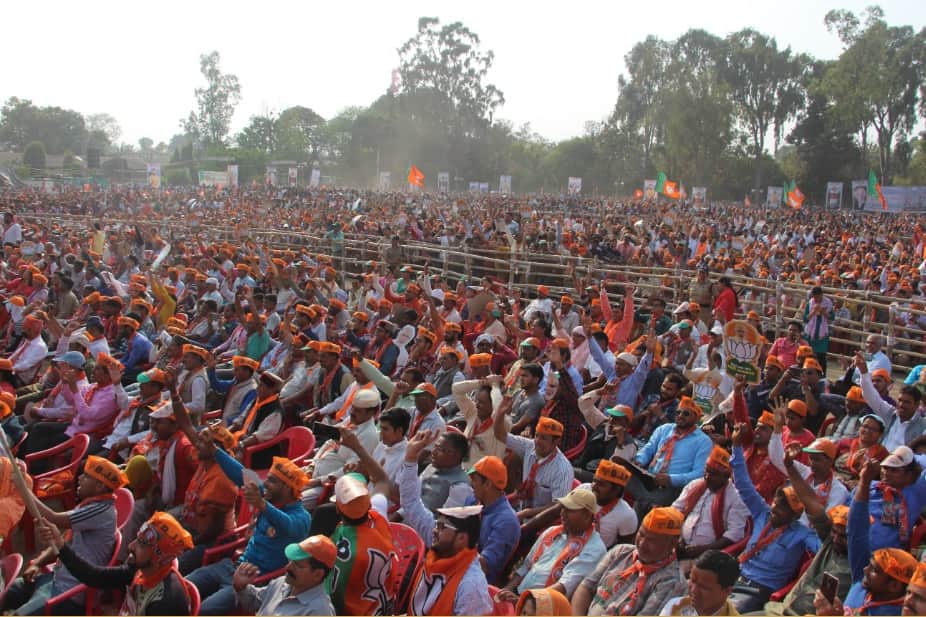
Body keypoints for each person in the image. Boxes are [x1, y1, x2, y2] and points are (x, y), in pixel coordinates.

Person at [186, 454, 312, 615]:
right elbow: (242, 474)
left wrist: (262, 504)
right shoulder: (268, 496)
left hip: (253, 582)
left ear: (288, 488)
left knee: (204, 610)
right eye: (268, 478)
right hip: (231, 566)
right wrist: (214, 450)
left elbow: (287, 524)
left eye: (272, 481)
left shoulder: (302, 518)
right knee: (184, 587)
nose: (265, 483)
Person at [3, 456, 122, 616]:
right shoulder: (90, 505)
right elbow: (64, 542)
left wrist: (23, 488)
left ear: (100, 486)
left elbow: (54, 518)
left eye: (86, 476)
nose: (79, 478)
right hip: (55, 578)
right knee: (7, 594)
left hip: (69, 593)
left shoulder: (101, 510)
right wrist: (38, 563)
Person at [728, 423, 821, 612]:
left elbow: (825, 549)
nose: (775, 509)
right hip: (734, 574)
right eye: (776, 503)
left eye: (783, 508)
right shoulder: (763, 513)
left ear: (796, 514)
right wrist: (736, 446)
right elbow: (743, 483)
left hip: (759, 589)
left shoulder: (803, 535)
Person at [36, 511, 195, 615]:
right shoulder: (139, 570)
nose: (130, 546)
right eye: (136, 539)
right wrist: (60, 545)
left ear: (160, 558)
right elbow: (93, 576)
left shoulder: (167, 602)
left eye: (141, 544)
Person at [813, 459, 918, 616]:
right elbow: (856, 529)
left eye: (874, 570)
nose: (864, 569)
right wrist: (865, 482)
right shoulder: (861, 583)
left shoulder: (896, 613)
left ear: (894, 586)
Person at [571, 507, 687, 616]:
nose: (642, 544)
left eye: (652, 540)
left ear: (672, 544)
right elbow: (585, 587)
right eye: (641, 534)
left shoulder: (672, 581)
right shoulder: (620, 552)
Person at [499, 488, 607, 601]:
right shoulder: (552, 531)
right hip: (521, 596)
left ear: (586, 515)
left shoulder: (594, 549)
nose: (562, 513)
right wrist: (507, 589)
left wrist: (523, 602)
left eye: (569, 509)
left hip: (547, 607)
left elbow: (564, 586)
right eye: (563, 508)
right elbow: (526, 566)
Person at [622, 395, 713, 518]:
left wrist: (671, 479)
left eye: (686, 413)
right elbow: (648, 449)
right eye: (678, 412)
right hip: (648, 478)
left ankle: (645, 502)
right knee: (622, 471)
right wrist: (639, 460)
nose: (680, 416)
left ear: (696, 418)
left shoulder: (703, 441)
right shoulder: (664, 429)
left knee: (645, 502)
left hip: (672, 487)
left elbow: (699, 474)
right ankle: (646, 501)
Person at [326, 473, 396, 615]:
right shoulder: (379, 517)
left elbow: (334, 600)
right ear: (369, 505)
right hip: (382, 607)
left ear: (337, 509)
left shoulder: (346, 554)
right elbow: (383, 481)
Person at [407, 503, 493, 615]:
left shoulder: (470, 586)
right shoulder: (435, 560)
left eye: (442, 527)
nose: (434, 530)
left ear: (461, 539)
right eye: (437, 525)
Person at [672, 446, 747, 574]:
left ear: (726, 476)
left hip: (707, 557)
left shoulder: (736, 497)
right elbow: (674, 511)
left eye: (713, 474)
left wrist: (705, 549)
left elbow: (735, 534)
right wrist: (676, 537)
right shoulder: (694, 485)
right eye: (706, 471)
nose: (707, 477)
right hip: (678, 545)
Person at [232, 534, 336, 616]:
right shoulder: (282, 582)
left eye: (297, 565)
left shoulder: (319, 611)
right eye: (291, 561)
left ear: (317, 574)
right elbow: (256, 602)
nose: (288, 567)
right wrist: (241, 587)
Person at [856, 352, 926, 452]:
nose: (901, 405)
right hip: (878, 460)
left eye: (907, 402)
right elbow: (871, 396)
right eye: (900, 400)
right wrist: (863, 371)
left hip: (902, 466)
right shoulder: (891, 414)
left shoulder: (922, 425)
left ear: (916, 405)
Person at [659, 550, 741, 616]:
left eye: (704, 587)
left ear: (727, 591)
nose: (694, 590)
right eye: (692, 580)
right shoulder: (675, 606)